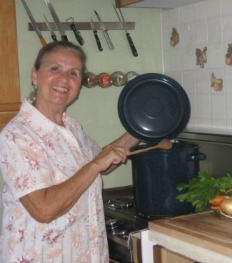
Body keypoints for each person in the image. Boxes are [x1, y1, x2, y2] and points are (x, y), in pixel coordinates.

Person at [0, 41, 139, 262]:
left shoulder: (71, 127)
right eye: (55, 69)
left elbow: (103, 162)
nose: (64, 79)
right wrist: (95, 165)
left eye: (73, 73)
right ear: (35, 76)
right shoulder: (16, 136)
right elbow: (44, 210)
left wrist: (140, 129)